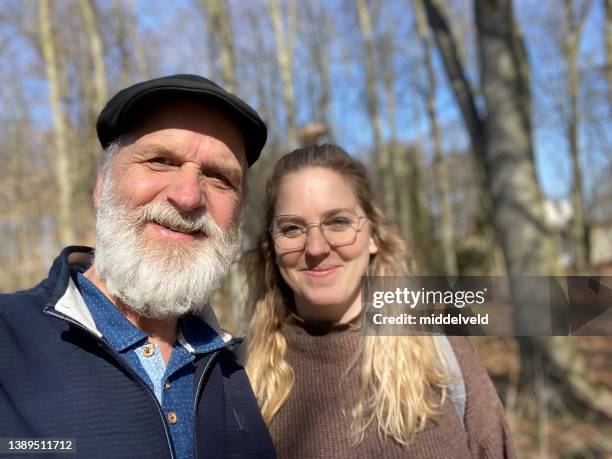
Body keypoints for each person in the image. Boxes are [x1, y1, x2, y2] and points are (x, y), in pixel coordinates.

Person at [0, 75, 275, 459]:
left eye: (218, 177)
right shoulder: (9, 340)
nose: (188, 196)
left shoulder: (244, 371)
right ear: (102, 183)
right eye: (161, 161)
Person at [242, 144, 515, 458]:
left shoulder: (442, 352)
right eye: (291, 228)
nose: (315, 247)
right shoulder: (242, 380)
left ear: (373, 235)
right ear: (271, 247)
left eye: (338, 222)